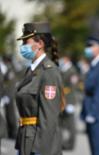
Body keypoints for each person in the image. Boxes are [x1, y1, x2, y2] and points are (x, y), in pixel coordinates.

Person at [15, 22, 65, 155]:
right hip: (26, 138)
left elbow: (49, 118)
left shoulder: (49, 72)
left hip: (37, 143)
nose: (22, 46)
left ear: (40, 44)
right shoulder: (32, 70)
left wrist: (39, 150)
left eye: (26, 42)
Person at [59, 55, 79, 150]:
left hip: (69, 100)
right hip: (63, 99)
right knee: (63, 122)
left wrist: (71, 103)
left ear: (67, 58)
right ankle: (64, 142)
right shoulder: (64, 69)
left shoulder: (72, 70)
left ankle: (71, 144)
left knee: (71, 124)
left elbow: (73, 87)